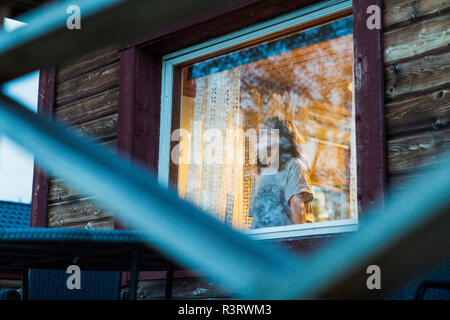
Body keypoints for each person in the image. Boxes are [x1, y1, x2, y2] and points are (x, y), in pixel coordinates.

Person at [249, 117, 314, 229]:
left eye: (268, 132)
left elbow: (296, 204)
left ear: (282, 138)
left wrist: (298, 242)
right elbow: (256, 215)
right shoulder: (261, 174)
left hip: (285, 241)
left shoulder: (294, 165)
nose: (262, 137)